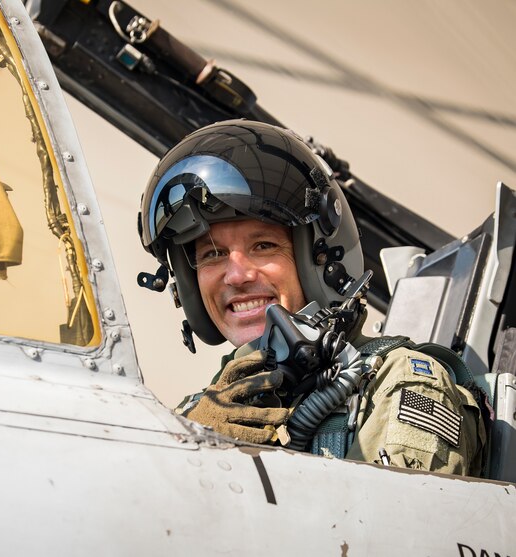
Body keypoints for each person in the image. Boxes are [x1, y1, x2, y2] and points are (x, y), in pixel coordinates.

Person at [138, 120, 486, 476]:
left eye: (263, 246)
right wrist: (185, 446)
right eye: (213, 254)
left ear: (323, 259)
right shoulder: (205, 411)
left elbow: (390, 527)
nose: (237, 275)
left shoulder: (402, 384)